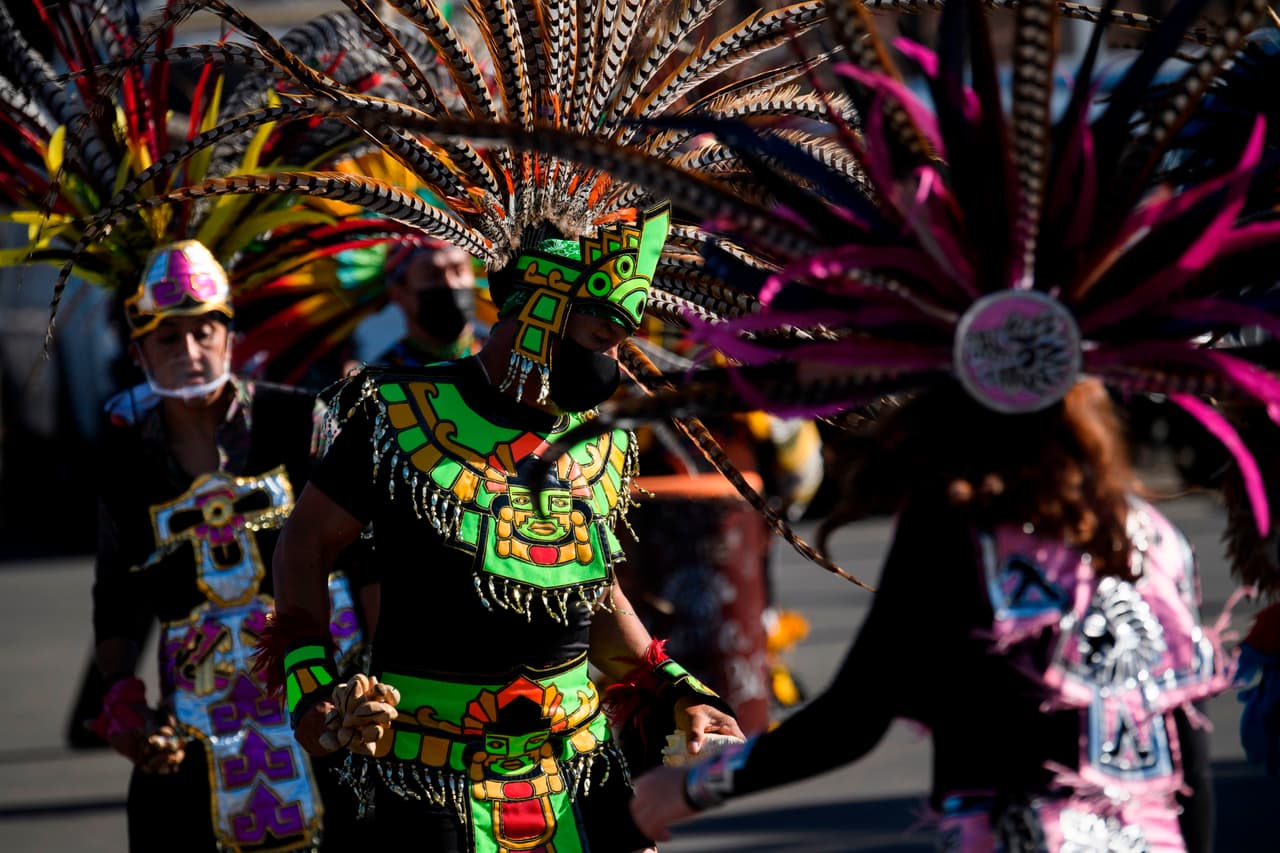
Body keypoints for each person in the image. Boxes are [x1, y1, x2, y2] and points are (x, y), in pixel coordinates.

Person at [264, 206, 744, 852]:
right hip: (429, 770)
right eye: (602, 332)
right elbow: (305, 543)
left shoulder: (597, 441)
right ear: (540, 305)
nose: (617, 350)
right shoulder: (398, 411)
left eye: (619, 339)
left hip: (578, 766)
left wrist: (681, 690)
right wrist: (308, 685)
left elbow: (596, 601)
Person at [89, 242, 367, 852]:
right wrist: (120, 693)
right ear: (139, 354)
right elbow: (119, 588)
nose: (189, 353)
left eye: (203, 332)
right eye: (168, 340)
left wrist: (381, 674)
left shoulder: (302, 420)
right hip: (202, 704)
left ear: (230, 338)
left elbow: (366, 554)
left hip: (325, 686)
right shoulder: (127, 457)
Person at [375, 238, 484, 367]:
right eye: (432, 275)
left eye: (459, 270)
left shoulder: (505, 358)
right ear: (398, 294)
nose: (450, 283)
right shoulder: (378, 380)